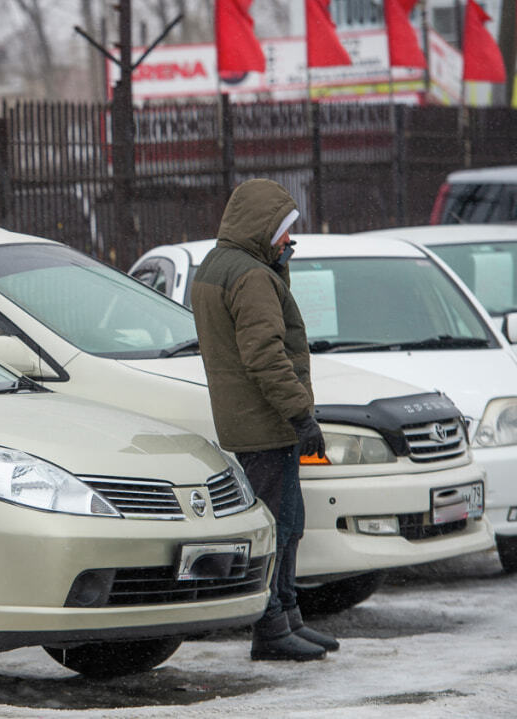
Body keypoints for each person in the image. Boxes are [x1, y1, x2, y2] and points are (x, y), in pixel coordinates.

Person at [189, 178, 339, 662]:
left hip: (256, 421)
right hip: (266, 423)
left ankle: (287, 613)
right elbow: (265, 357)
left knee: (289, 522)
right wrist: (300, 416)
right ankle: (271, 627)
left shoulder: (222, 265)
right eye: (282, 233)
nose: (287, 242)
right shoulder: (251, 275)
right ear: (261, 227)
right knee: (277, 525)